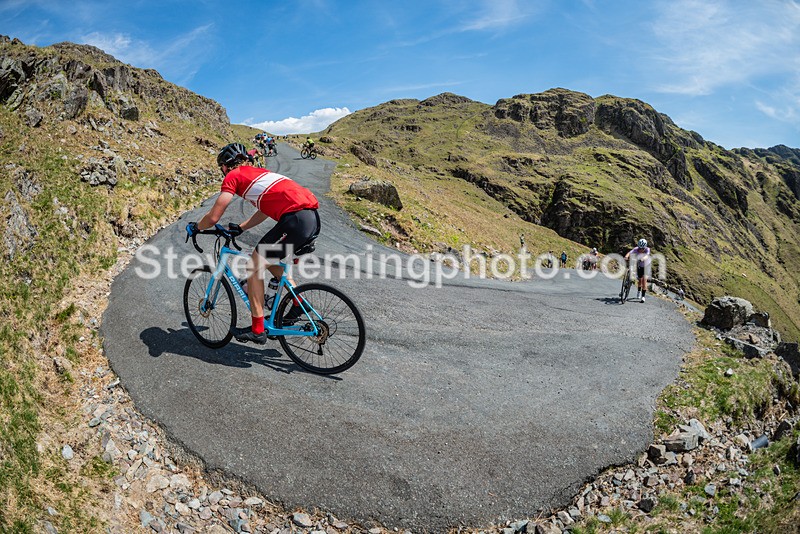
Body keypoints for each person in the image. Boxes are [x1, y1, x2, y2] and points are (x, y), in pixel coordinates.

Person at [186, 142, 320, 344]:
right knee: (269, 261)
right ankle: (299, 303)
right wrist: (241, 227)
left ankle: (258, 329)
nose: (223, 171)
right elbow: (265, 209)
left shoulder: (234, 176)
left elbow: (213, 217)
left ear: (226, 165)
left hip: (295, 218)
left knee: (253, 265)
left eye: (222, 167)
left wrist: (197, 227)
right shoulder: (259, 174)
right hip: (310, 218)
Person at [625, 239, 651, 303]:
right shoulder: (636, 249)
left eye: (642, 249)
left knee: (644, 280)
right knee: (640, 280)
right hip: (640, 266)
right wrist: (626, 256)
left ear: (645, 247)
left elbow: (647, 256)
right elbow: (629, 253)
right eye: (639, 248)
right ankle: (639, 291)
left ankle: (643, 296)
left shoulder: (647, 249)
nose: (640, 250)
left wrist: (642, 259)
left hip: (646, 266)